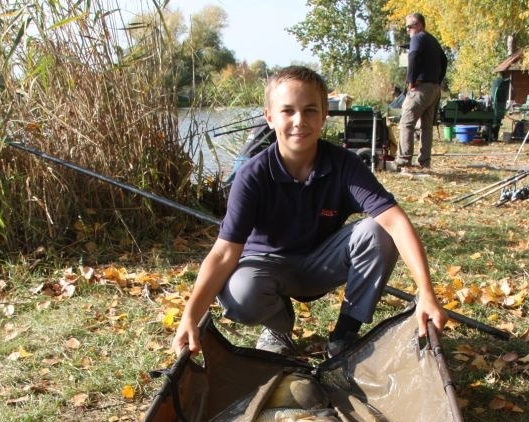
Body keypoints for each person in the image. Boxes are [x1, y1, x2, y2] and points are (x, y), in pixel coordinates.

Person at [171, 66, 448, 359]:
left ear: (325, 114)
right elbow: (224, 253)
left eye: (310, 110)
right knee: (240, 291)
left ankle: (345, 333)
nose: (299, 121)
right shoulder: (251, 174)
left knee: (378, 231)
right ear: (269, 117)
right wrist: (190, 316)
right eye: (287, 111)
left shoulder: (345, 164)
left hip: (321, 263)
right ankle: (277, 328)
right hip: (267, 267)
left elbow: (396, 221)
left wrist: (426, 292)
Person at [395, 13, 448, 170]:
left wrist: (411, 80)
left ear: (418, 25)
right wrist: (438, 80)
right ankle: (424, 162)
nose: (408, 31)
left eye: (409, 27)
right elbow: (444, 60)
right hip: (434, 89)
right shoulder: (433, 40)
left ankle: (404, 160)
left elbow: (413, 56)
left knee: (406, 122)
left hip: (421, 87)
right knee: (426, 126)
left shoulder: (417, 38)